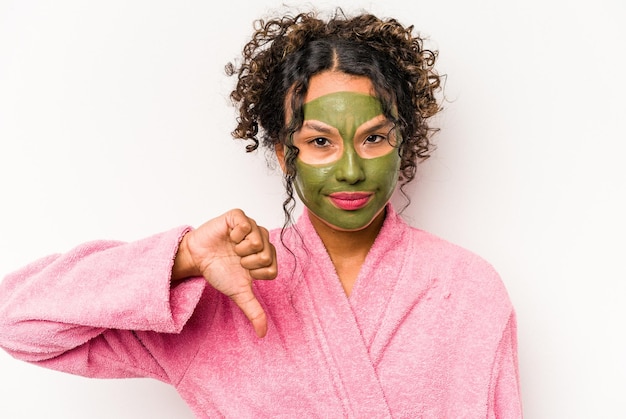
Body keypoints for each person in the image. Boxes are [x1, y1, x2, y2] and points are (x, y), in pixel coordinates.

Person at [0, 8, 522, 418]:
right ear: (282, 153)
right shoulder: (219, 292)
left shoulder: (470, 288)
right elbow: (16, 322)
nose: (350, 170)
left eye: (374, 138)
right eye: (319, 141)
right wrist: (180, 258)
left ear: (402, 145)